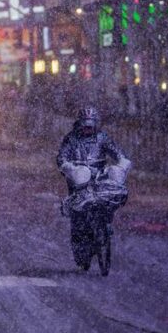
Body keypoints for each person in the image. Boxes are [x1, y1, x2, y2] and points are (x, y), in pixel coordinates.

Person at [56, 107, 131, 267]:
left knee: (107, 201)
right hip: (78, 181)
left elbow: (117, 153)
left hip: (99, 179)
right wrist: (69, 167)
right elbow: (62, 157)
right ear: (80, 124)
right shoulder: (71, 139)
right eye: (85, 125)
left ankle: (105, 226)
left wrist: (122, 163)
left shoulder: (102, 138)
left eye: (91, 125)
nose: (88, 129)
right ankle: (79, 244)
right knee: (78, 214)